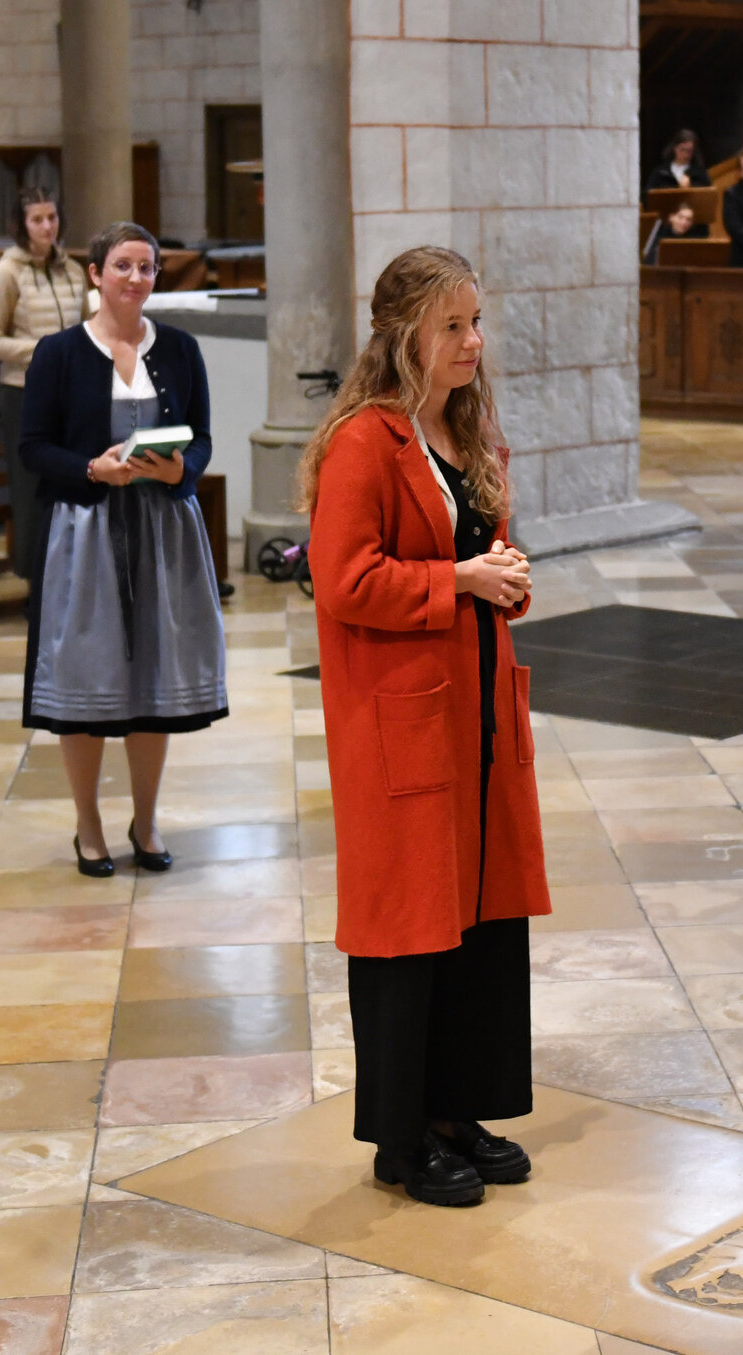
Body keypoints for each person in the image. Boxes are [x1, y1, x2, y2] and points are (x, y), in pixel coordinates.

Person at [299, 245, 551, 1208]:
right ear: (404, 332)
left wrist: (505, 575)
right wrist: (460, 582)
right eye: (452, 326)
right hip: (400, 722)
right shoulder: (366, 441)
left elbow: (485, 555)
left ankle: (461, 1108)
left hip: (477, 718)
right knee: (409, 930)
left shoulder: (467, 429)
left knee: (478, 919)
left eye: (475, 322)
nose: (472, 342)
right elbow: (344, 579)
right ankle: (402, 1142)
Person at [17, 221, 227, 878]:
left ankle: (147, 817)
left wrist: (180, 471)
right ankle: (88, 824)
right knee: (84, 675)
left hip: (164, 530)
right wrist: (90, 468)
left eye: (147, 267)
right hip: (85, 533)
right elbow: (33, 448)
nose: (136, 278)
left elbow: (203, 438)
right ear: (95, 274)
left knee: (154, 678)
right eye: (123, 266)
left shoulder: (182, 349)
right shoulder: (58, 353)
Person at [0, 186, 90, 578]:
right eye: (37, 219)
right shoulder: (7, 272)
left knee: (75, 480)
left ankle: (72, 575)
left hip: (72, 395)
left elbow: (88, 327)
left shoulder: (73, 270)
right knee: (31, 489)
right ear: (22, 225)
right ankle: (34, 579)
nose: (47, 226)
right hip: (23, 394)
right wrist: (44, 350)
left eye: (52, 217)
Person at [641, 203, 706, 266]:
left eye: (688, 220)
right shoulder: (658, 238)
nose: (684, 222)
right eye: (680, 217)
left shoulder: (694, 241)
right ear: (671, 217)